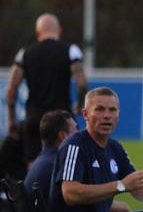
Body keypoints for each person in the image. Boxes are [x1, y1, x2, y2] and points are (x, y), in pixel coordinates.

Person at [5, 13, 88, 166]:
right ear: (60, 30)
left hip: (34, 119)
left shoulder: (25, 53)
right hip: (62, 121)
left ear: (37, 33)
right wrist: (80, 103)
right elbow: (82, 82)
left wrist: (11, 119)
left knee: (33, 167)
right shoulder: (71, 51)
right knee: (65, 165)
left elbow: (11, 89)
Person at [23, 110, 77, 201]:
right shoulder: (58, 164)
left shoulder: (43, 160)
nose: (78, 133)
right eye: (75, 129)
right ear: (63, 136)